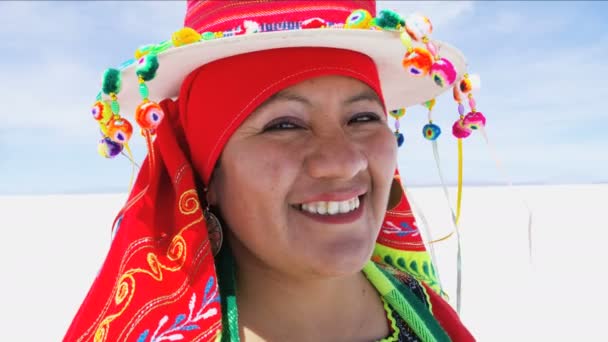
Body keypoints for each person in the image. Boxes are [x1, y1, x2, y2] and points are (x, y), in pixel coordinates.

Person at [66, 1, 481, 341]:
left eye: (363, 118)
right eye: (285, 125)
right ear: (205, 172)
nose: (343, 161)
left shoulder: (422, 311)